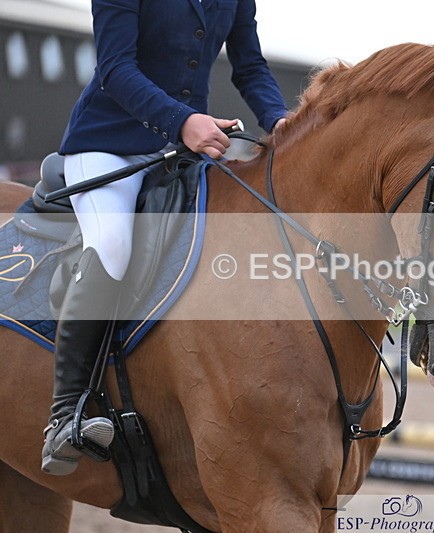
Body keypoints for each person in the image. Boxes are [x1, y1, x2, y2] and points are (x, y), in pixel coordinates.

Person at [41, 0, 288, 476]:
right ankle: (65, 414)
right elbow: (115, 68)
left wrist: (280, 121)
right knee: (112, 244)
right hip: (108, 145)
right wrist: (183, 121)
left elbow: (251, 65)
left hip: (182, 148)